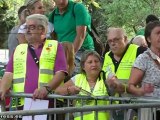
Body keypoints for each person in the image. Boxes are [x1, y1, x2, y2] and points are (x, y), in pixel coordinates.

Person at [0, 14, 67, 115]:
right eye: (26, 27)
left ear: (43, 30)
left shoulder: (55, 46)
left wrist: (46, 89)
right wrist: (2, 90)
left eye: (31, 27)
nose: (27, 30)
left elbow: (61, 72)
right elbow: (8, 74)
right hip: (20, 106)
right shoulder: (19, 49)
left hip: (49, 104)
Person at [102, 27, 147, 120]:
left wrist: (125, 88)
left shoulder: (140, 52)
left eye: (116, 39)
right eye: (110, 41)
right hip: (116, 107)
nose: (113, 43)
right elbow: (104, 76)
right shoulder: (107, 56)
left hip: (138, 106)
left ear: (125, 39)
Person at [55, 50, 110, 120]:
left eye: (96, 61)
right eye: (90, 62)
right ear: (83, 66)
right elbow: (57, 90)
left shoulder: (106, 76)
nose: (94, 64)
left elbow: (117, 85)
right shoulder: (78, 78)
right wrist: (69, 90)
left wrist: (114, 84)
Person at [49, 0, 94, 74]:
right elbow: (53, 38)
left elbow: (81, 36)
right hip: (64, 52)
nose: (61, 2)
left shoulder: (77, 8)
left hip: (82, 50)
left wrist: (69, 57)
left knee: (74, 74)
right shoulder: (53, 15)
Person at [128, 21, 160, 120]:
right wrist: (140, 91)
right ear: (149, 38)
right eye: (158, 33)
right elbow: (130, 86)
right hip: (151, 111)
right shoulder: (143, 59)